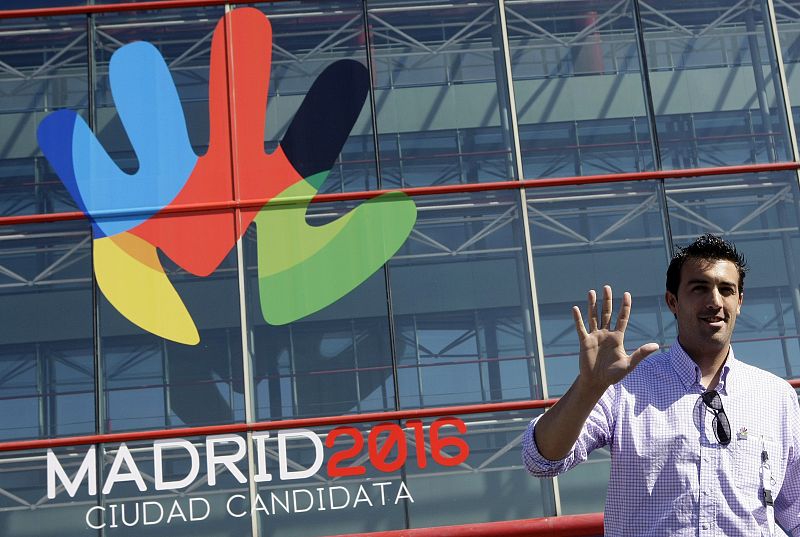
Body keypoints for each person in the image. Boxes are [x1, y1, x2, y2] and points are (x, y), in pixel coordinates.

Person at [522, 234, 800, 536]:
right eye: (700, 288)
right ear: (673, 302)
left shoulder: (777, 397)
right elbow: (541, 460)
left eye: (726, 290)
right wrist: (589, 386)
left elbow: (795, 514)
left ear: (740, 301)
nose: (715, 301)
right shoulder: (623, 385)